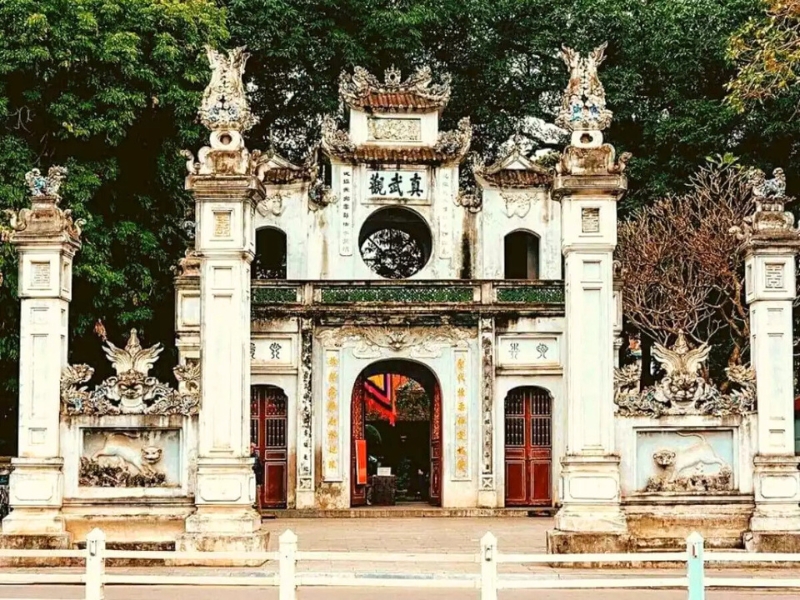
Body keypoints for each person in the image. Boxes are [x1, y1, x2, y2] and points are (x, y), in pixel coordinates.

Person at [250, 443, 264, 512]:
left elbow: (258, 470)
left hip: (255, 480)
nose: (251, 449)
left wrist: (259, 482)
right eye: (250, 447)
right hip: (250, 479)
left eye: (252, 447)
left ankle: (259, 512)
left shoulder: (255, 457)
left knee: (257, 498)